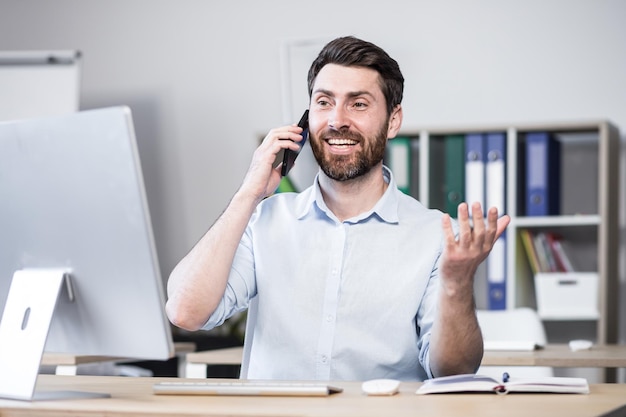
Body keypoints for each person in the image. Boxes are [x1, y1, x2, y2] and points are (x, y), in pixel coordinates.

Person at [166, 36, 510, 381]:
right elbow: (185, 312)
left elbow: (454, 370)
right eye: (323, 102)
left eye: (358, 104)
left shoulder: (435, 234)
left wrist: (456, 284)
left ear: (393, 121)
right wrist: (248, 193)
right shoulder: (265, 220)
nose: (336, 120)